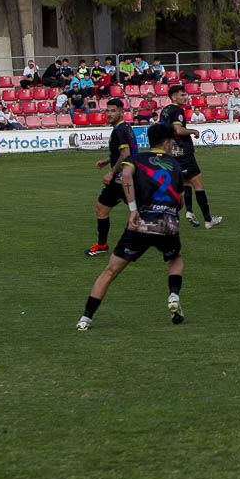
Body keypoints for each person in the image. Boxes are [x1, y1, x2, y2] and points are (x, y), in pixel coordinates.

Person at [75, 122, 187, 330]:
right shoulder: (175, 164)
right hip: (168, 222)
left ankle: (86, 318)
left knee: (110, 271)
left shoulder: (136, 159)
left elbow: (125, 176)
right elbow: (179, 201)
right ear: (166, 142)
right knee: (175, 259)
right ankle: (173, 294)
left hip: (141, 223)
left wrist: (133, 208)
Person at [160, 85, 221, 229]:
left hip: (171, 152)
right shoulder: (178, 110)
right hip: (184, 152)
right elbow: (178, 130)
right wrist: (193, 130)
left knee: (186, 182)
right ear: (174, 97)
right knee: (199, 185)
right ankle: (208, 220)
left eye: (185, 94)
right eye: (182, 95)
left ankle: (189, 211)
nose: (185, 97)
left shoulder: (165, 110)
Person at [85, 99, 139, 257]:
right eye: (107, 110)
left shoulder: (119, 130)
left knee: (137, 212)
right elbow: (122, 152)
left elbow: (126, 154)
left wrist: (111, 172)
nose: (109, 114)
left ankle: (138, 243)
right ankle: (102, 244)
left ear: (121, 111)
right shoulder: (126, 127)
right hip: (128, 176)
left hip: (122, 178)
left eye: (113, 111)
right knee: (102, 208)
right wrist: (107, 160)